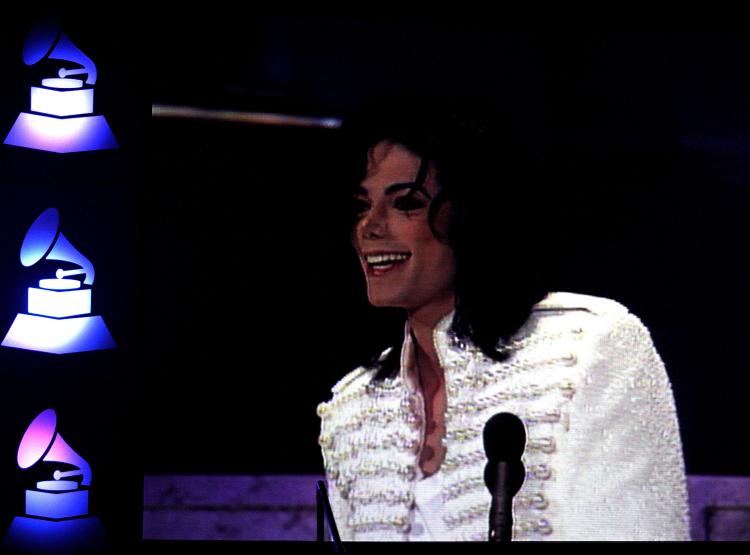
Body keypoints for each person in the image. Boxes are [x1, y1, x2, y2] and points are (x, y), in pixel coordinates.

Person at [316, 98, 690, 541]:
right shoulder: (352, 407)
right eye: (362, 205)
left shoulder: (588, 346)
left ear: (474, 214)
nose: (370, 227)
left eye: (407, 203)